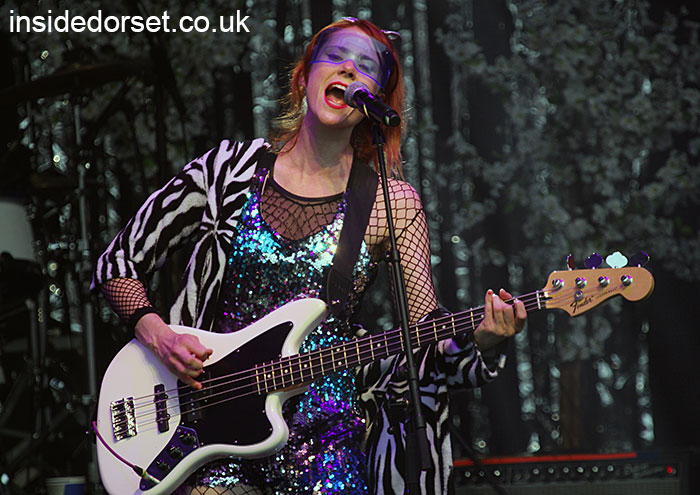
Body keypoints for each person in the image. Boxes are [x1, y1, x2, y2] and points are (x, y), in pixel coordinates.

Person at [92, 17, 526, 495]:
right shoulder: (226, 171)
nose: (349, 71)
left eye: (366, 68)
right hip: (207, 429)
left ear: (375, 102)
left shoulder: (391, 202)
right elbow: (118, 264)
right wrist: (160, 336)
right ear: (303, 77)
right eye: (336, 57)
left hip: (326, 444)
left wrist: (483, 339)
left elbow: (422, 341)